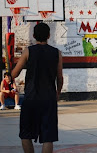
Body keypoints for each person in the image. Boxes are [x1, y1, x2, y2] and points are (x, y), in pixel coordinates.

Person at [12, 23, 63, 153]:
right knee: (48, 137)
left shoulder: (28, 51)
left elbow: (14, 74)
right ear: (49, 36)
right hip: (49, 98)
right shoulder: (57, 53)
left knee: (26, 134)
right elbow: (59, 77)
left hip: (31, 98)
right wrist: (57, 93)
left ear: (34, 36)